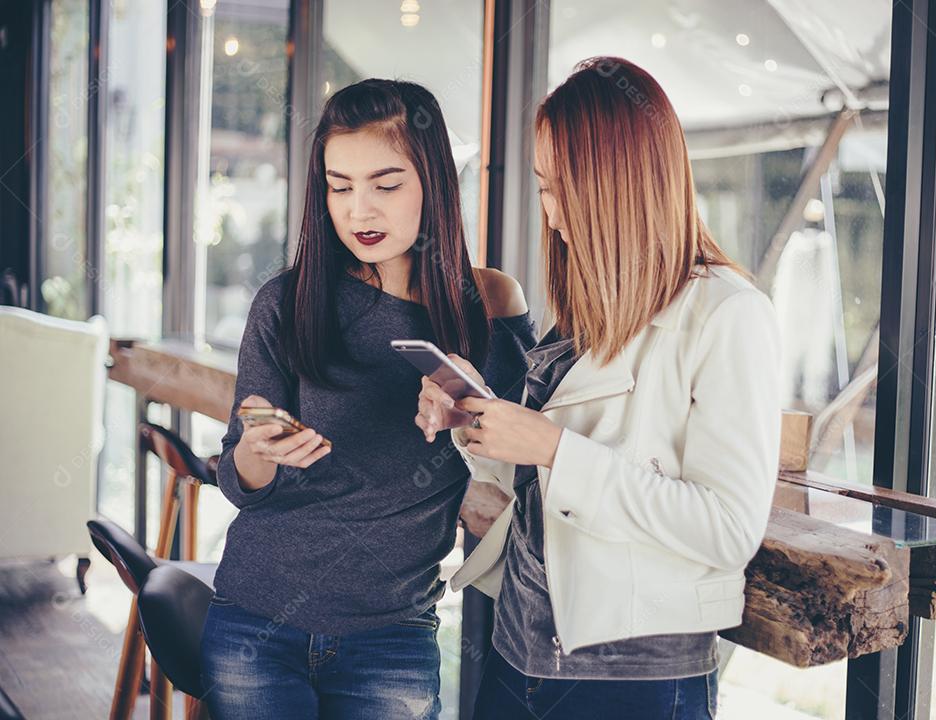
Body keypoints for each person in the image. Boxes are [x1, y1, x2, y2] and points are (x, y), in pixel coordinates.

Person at [417, 57, 782, 719]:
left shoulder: (729, 315)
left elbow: (727, 529)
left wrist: (554, 448)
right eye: (542, 187)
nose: (552, 215)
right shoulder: (589, 312)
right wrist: (475, 422)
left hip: (632, 682)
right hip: (518, 654)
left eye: (565, 189)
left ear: (624, 184)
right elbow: (548, 489)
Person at [200, 79, 535, 719]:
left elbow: (534, 454)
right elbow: (240, 485)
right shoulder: (286, 301)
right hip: (255, 621)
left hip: (393, 637)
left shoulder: (489, 304)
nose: (359, 212)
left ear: (433, 183)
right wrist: (258, 453)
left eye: (385, 185)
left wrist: (475, 405)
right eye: (339, 187)